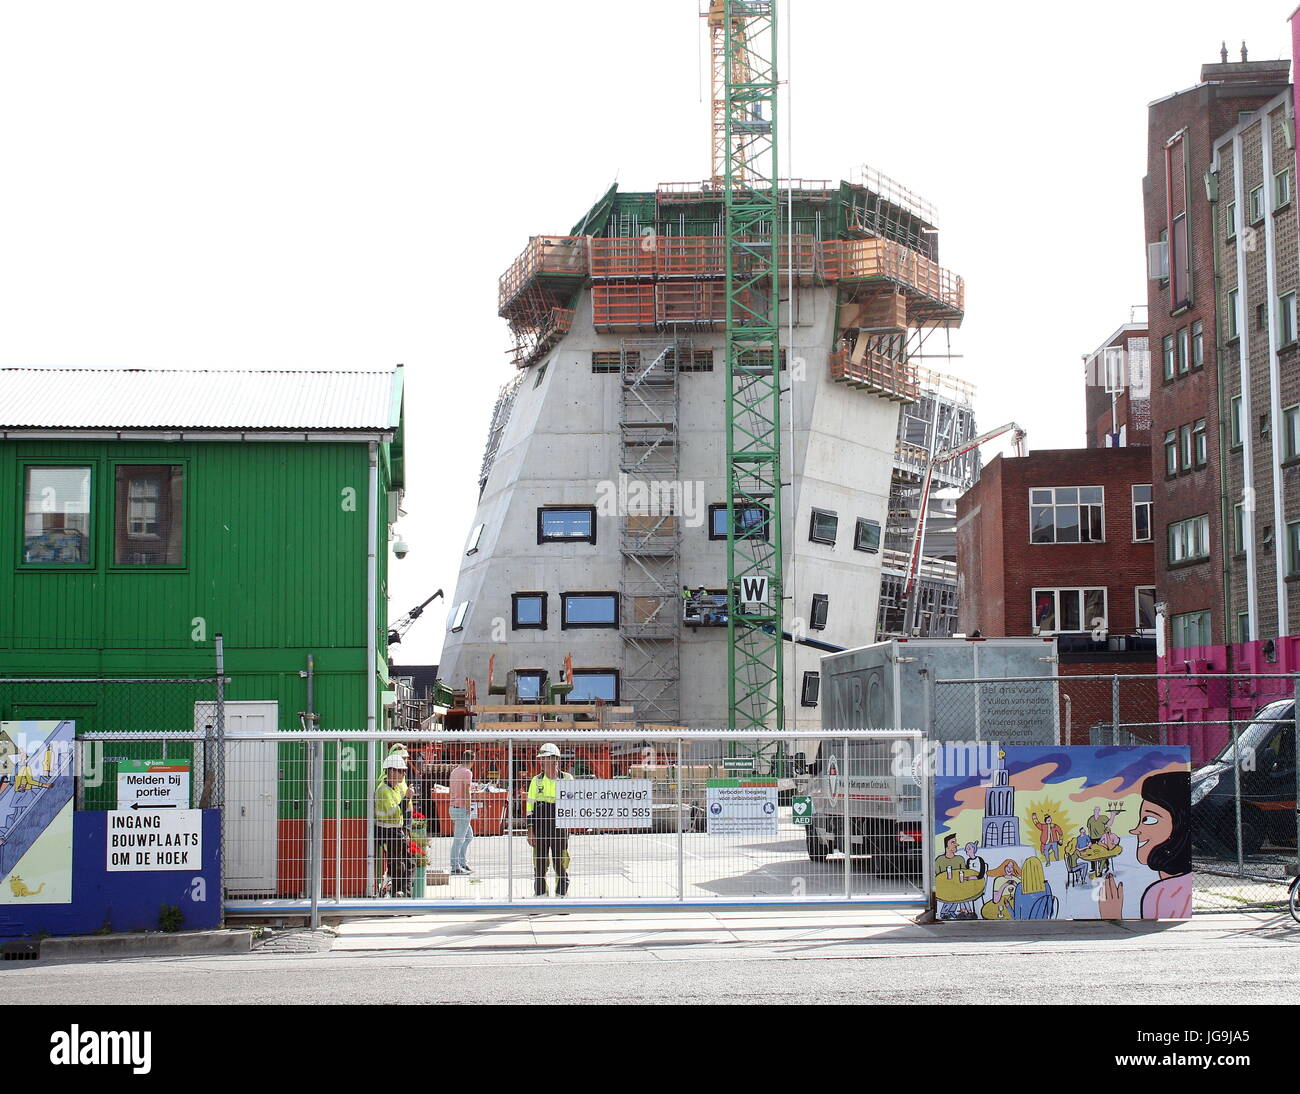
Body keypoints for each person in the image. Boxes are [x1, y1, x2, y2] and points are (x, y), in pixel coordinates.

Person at [1099, 772, 1193, 920]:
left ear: (1178, 825)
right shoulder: (1171, 888)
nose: (1135, 830)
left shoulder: (1160, 892)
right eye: (1141, 819)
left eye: (1149, 819)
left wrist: (1112, 913)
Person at [526, 743, 574, 896]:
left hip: (560, 826)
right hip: (540, 826)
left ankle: (562, 894)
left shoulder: (567, 779)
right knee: (539, 863)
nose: (542, 762)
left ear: (555, 759)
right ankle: (540, 894)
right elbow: (530, 807)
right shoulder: (536, 781)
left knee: (560, 862)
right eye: (541, 759)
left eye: (545, 758)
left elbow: (574, 803)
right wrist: (530, 830)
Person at [375, 754, 413, 897]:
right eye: (401, 771)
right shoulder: (384, 790)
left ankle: (403, 893)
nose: (404, 774)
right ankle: (400, 894)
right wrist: (407, 797)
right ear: (391, 771)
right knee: (398, 866)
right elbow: (395, 812)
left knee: (408, 865)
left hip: (396, 830)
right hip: (389, 832)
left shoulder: (395, 788)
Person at [449, 749, 476, 876]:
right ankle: (455, 866)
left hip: (453, 807)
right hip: (462, 808)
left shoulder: (454, 771)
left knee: (468, 836)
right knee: (459, 839)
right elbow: (467, 791)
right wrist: (469, 808)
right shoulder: (467, 773)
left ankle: (461, 862)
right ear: (472, 761)